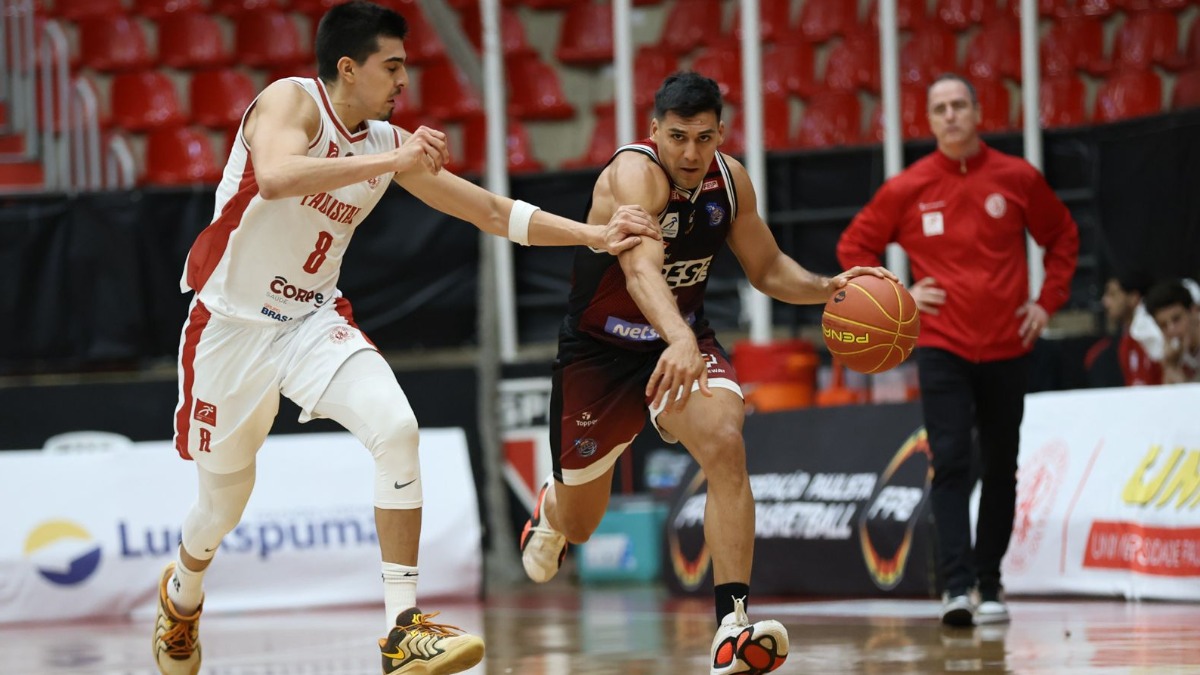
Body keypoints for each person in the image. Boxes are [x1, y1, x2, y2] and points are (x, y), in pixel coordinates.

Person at [152, 3, 660, 675]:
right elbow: (275, 176)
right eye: (391, 67)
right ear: (347, 67)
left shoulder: (384, 142)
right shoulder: (291, 103)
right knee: (221, 506)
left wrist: (592, 234)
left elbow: (487, 209)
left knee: (397, 427)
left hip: (310, 319)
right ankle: (182, 593)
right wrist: (393, 156)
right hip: (228, 326)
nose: (402, 81)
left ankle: (401, 626)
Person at [517, 71, 895, 675]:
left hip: (685, 342)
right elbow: (641, 272)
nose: (690, 153)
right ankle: (553, 509)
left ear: (720, 132)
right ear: (653, 132)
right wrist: (677, 337)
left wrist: (828, 288)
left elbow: (768, 269)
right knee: (583, 526)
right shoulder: (633, 176)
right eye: (677, 137)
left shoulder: (731, 181)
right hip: (602, 351)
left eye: (703, 137)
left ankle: (732, 624)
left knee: (725, 440)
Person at [836, 74, 1079, 627]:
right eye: (940, 107)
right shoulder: (909, 187)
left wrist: (1046, 303)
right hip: (942, 346)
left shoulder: (1016, 179)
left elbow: (1063, 237)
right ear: (930, 118)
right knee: (949, 462)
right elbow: (854, 246)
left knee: (1001, 466)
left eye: (959, 105)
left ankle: (990, 584)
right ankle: (957, 586)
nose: (950, 115)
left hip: (1009, 344)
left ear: (977, 111)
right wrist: (899, 295)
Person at [1085, 271, 1160, 387]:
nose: (1105, 302)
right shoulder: (1121, 343)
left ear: (1133, 298)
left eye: (1112, 294)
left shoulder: (1155, 335)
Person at [1143, 280, 1200, 384]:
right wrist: (1170, 366)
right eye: (1163, 325)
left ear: (1194, 311)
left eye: (1176, 319)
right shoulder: (1173, 354)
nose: (1171, 329)